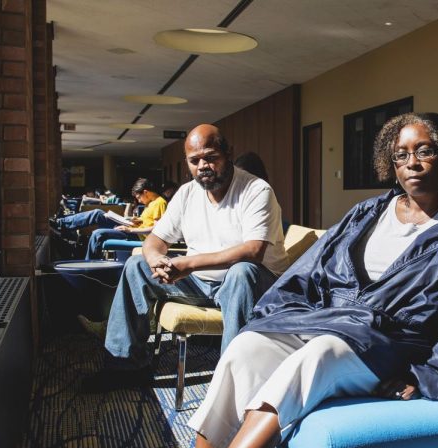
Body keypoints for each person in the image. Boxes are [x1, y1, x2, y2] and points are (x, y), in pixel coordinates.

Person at [122, 112, 438, 448]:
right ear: (390, 163)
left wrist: (425, 375)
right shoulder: (369, 211)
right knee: (246, 348)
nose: (413, 163)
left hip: (391, 343)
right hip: (336, 320)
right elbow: (314, 272)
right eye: (401, 154)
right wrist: (279, 314)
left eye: (425, 151)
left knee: (319, 356)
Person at [85, 124, 289, 391]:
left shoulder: (256, 190)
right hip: (202, 283)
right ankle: (126, 367)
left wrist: (187, 264)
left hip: (256, 286)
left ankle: (233, 383)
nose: (203, 165)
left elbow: (253, 251)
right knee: (136, 265)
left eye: (210, 157)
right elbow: (156, 240)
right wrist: (158, 259)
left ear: (228, 153)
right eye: (195, 161)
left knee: (242, 271)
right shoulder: (187, 193)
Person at [54, 178, 167, 260]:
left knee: (98, 233)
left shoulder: (159, 203)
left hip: (138, 236)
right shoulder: (150, 203)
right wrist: (134, 220)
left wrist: (131, 230)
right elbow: (146, 222)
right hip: (130, 228)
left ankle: (89, 264)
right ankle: (60, 224)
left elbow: (156, 229)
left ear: (146, 192)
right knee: (97, 213)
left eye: (138, 197)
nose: (139, 201)